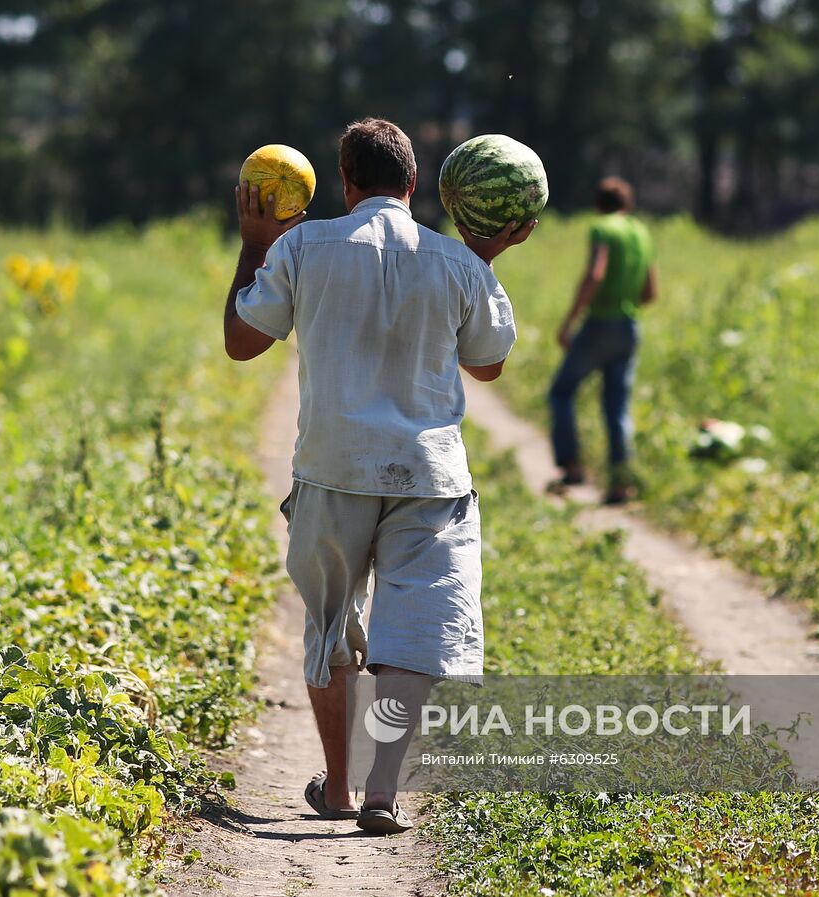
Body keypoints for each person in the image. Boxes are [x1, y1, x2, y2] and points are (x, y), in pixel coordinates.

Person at [221, 119, 535, 835]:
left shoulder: (304, 244)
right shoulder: (455, 261)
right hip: (428, 476)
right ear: (415, 184)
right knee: (415, 632)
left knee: (332, 627)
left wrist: (253, 244)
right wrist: (482, 256)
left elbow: (244, 344)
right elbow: (486, 363)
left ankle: (336, 786)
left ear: (345, 183)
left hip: (334, 468)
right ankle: (382, 792)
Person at [547, 176, 658, 504]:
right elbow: (651, 292)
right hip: (629, 326)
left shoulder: (602, 228)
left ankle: (572, 465)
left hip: (599, 324)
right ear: (628, 203)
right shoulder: (641, 231)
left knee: (562, 391)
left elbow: (596, 273)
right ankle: (622, 483)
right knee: (617, 406)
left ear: (598, 204)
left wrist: (570, 321)